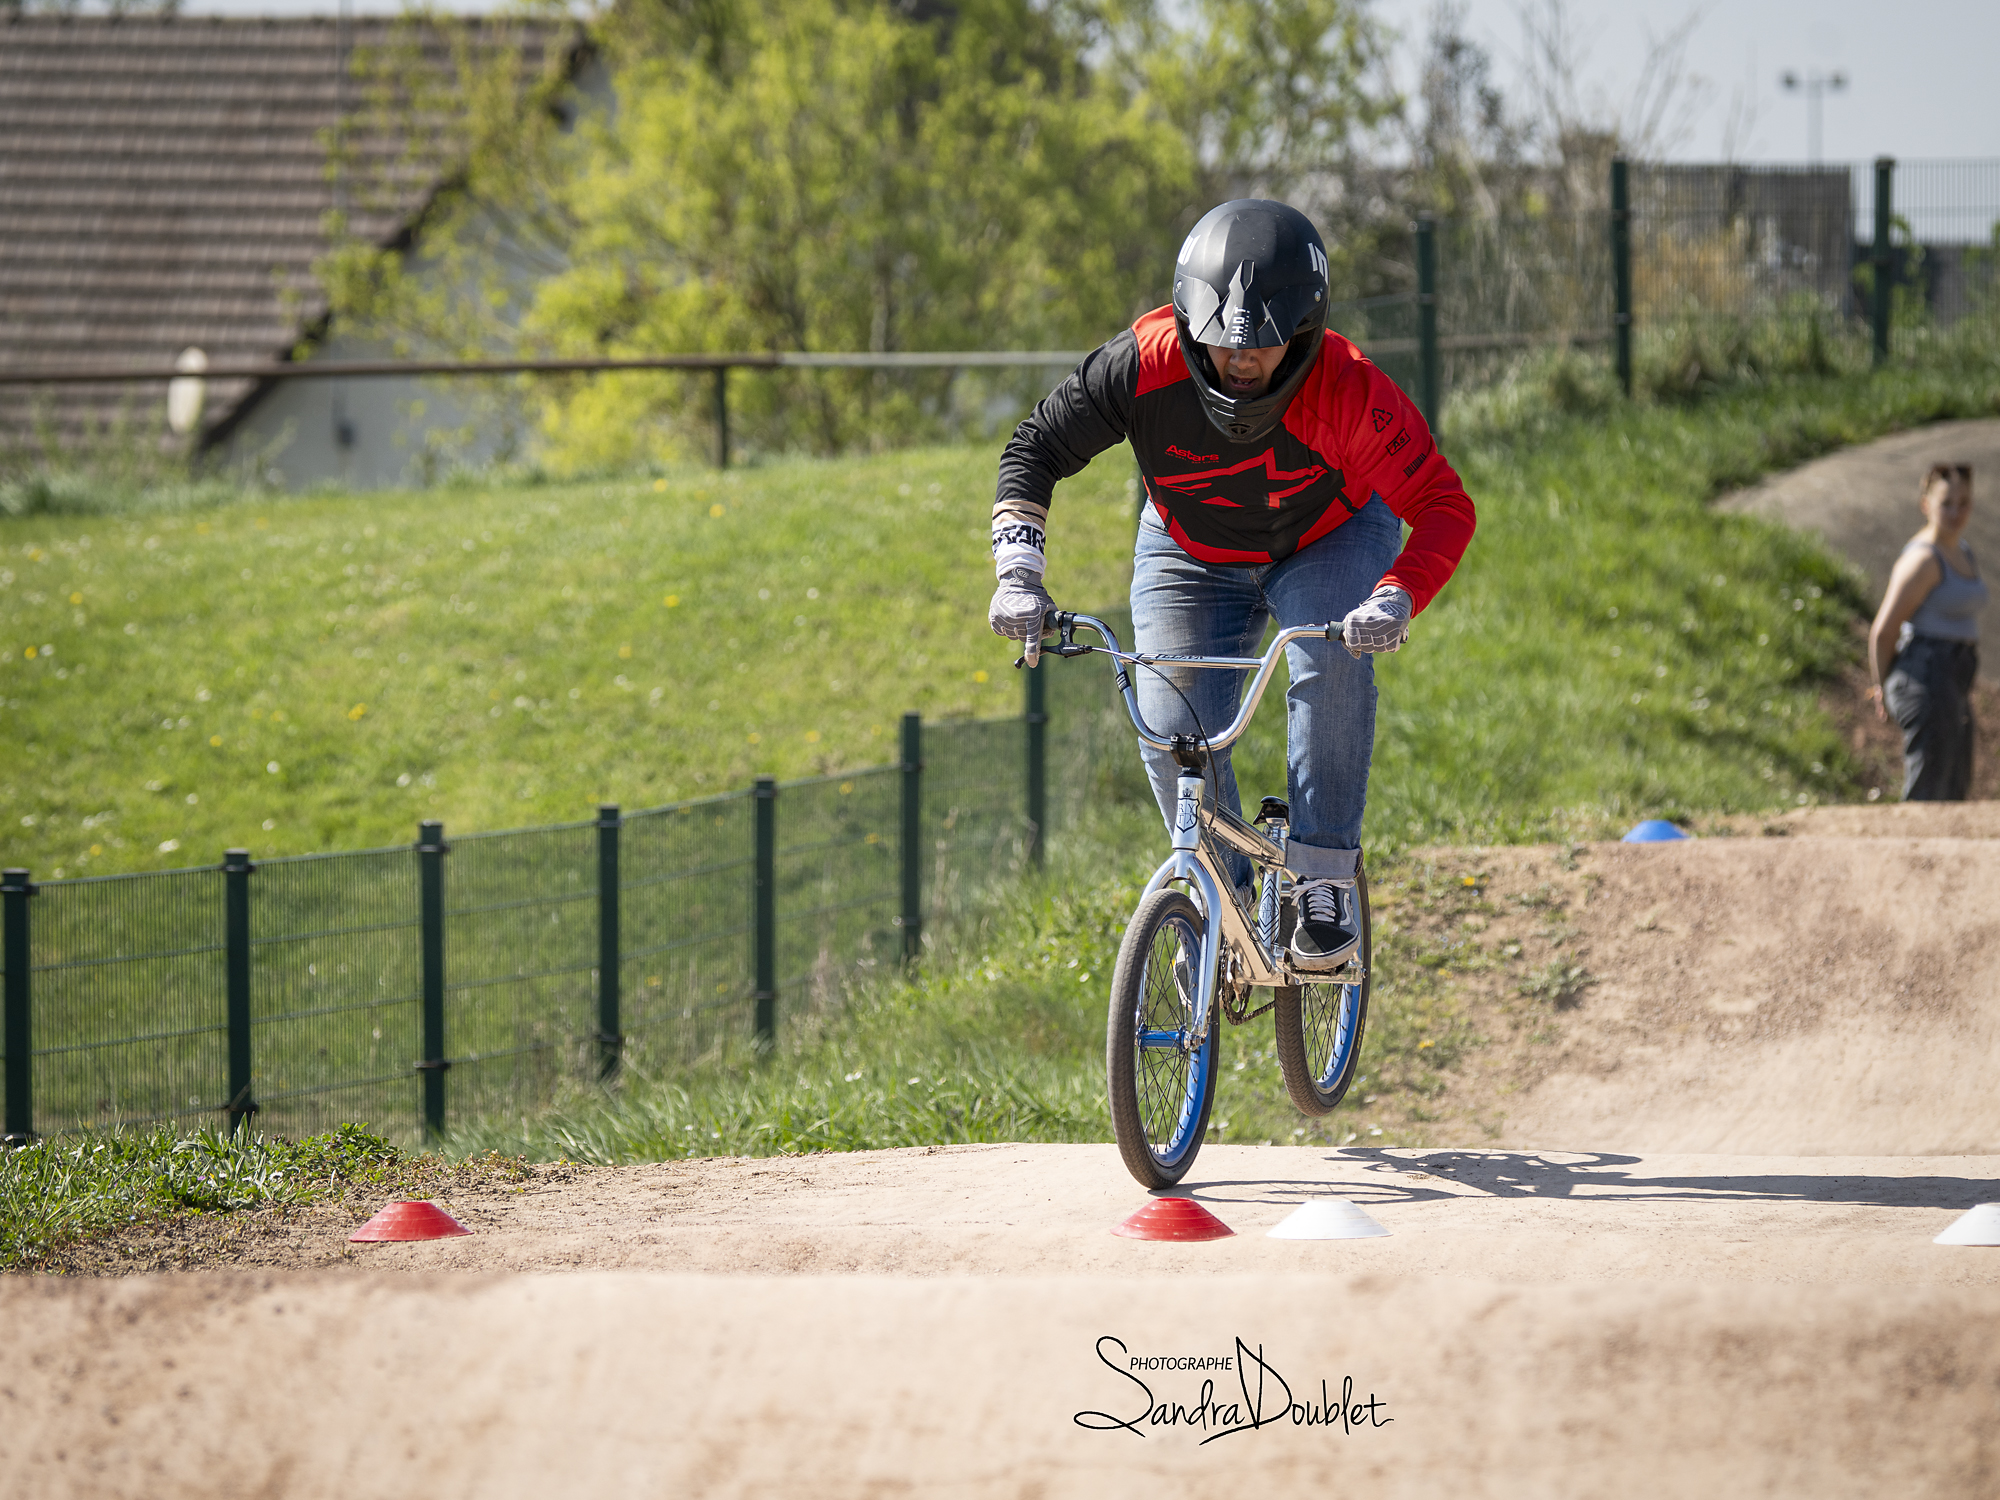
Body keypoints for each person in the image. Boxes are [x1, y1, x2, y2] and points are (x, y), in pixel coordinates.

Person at [987, 199, 1476, 970]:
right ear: (1186, 326)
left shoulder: (1351, 392)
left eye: (1265, 347)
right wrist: (1018, 572)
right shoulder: (1141, 365)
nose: (1239, 363)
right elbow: (1035, 447)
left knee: (1329, 664)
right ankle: (1222, 894)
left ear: (1306, 336)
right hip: (1190, 554)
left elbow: (1444, 507)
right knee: (1168, 720)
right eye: (1216, 344)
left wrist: (1397, 593)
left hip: (1330, 538)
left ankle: (1323, 878)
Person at [1869, 462, 1985, 801]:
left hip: (1952, 683)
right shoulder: (1922, 561)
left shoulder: (1962, 551)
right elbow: (1883, 632)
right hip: (1924, 680)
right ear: (1926, 505)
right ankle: (1912, 856)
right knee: (1928, 795)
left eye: (1963, 502)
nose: (1955, 512)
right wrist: (1881, 687)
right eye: (1946, 503)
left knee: (1954, 790)